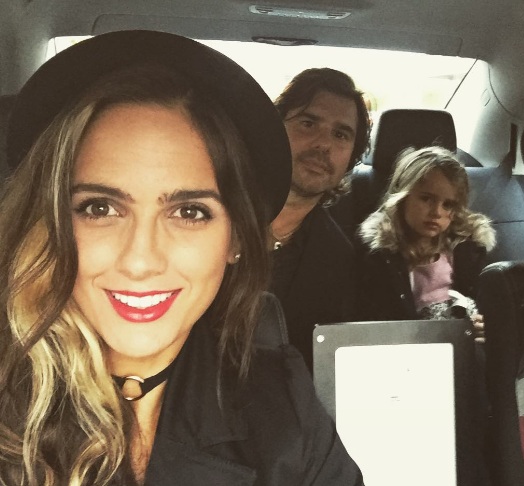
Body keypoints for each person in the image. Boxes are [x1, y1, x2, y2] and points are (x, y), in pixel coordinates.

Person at [0, 31, 364, 485]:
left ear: (235, 239)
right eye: (100, 208)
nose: (140, 261)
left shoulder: (285, 410)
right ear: (50, 218)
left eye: (189, 212)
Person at [269, 68, 371, 371]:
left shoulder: (338, 258)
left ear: (351, 157)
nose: (323, 144)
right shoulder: (210, 212)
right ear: (274, 127)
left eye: (340, 135)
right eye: (308, 123)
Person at [356, 146, 496, 338]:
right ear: (403, 196)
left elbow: (483, 303)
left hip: (461, 342)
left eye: (448, 204)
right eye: (426, 199)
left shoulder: (465, 249)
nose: (436, 212)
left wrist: (483, 323)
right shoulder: (382, 256)